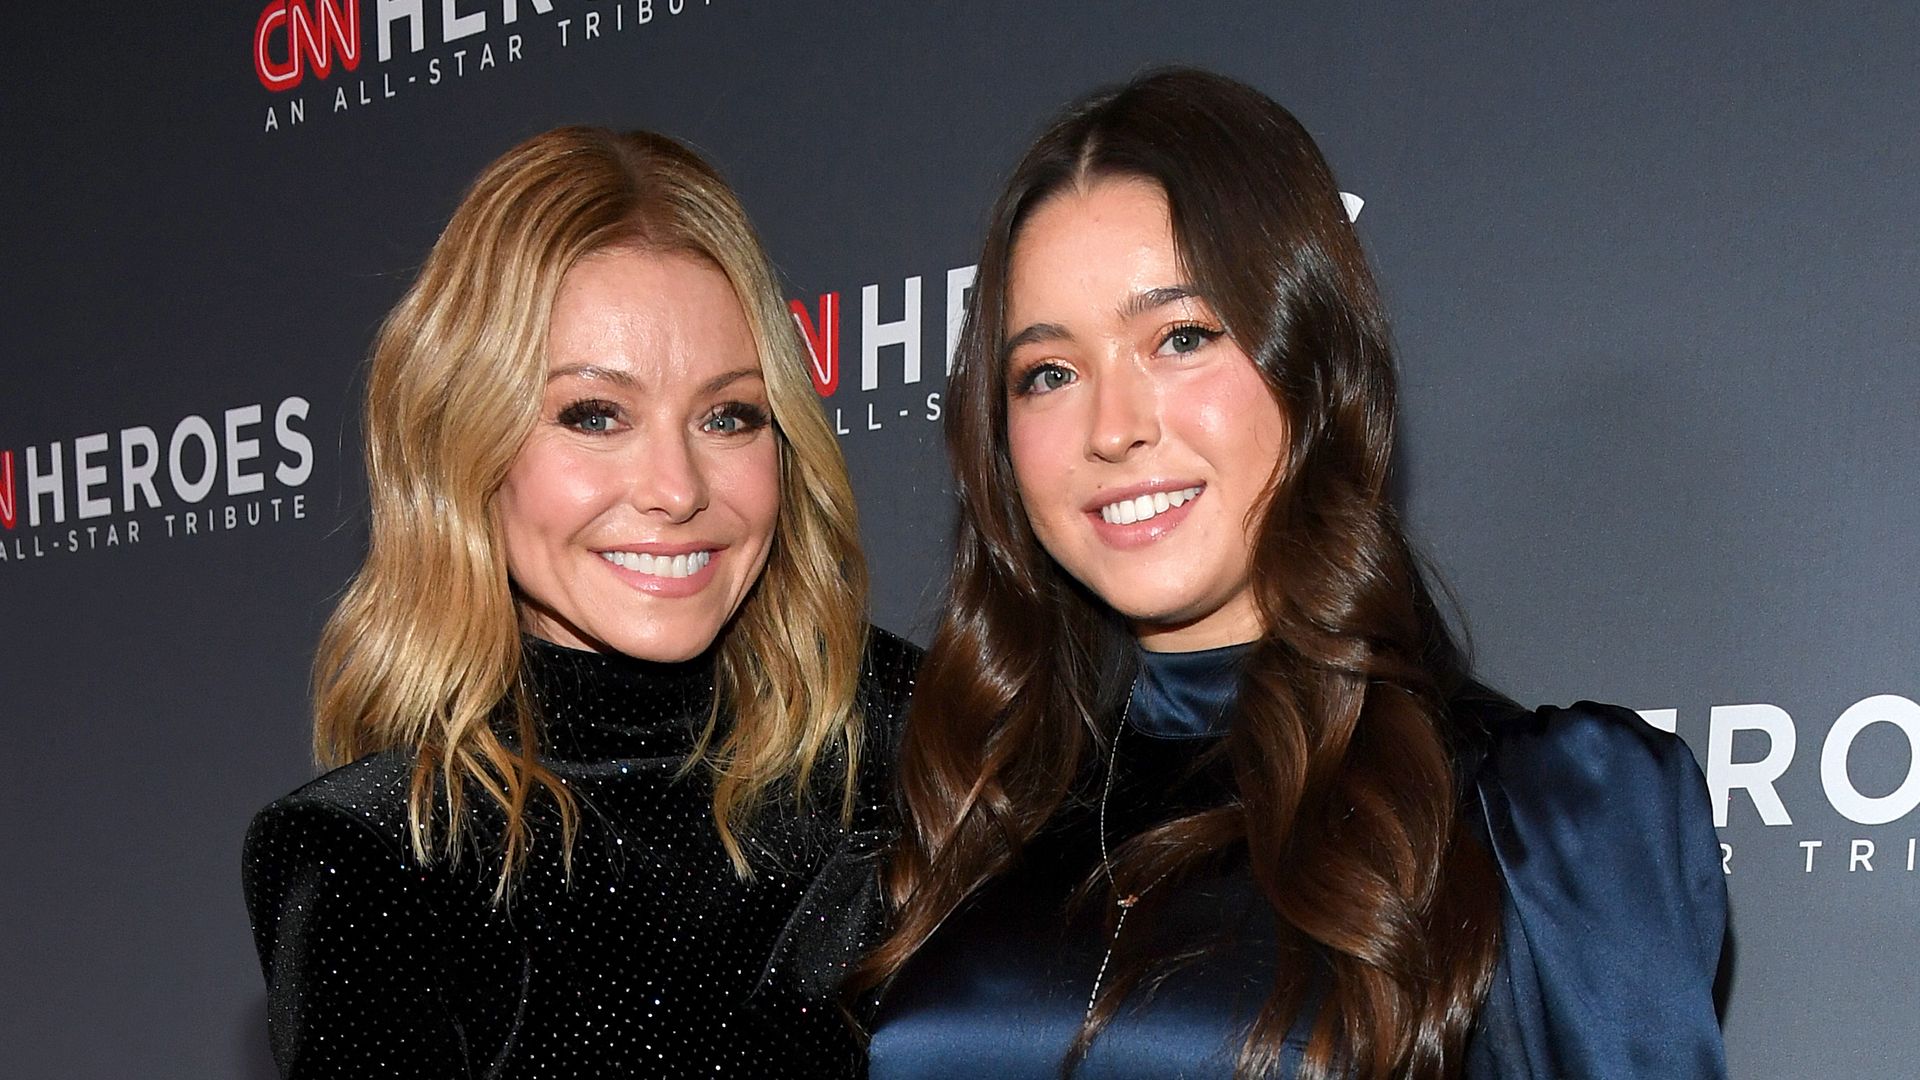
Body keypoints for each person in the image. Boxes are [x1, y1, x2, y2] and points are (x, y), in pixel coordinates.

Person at [860, 70, 1726, 1080]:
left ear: (1311, 361)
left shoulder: (1538, 820)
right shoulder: (970, 800)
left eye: (1181, 338)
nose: (1112, 427)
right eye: (1049, 372)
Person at [242, 126, 915, 1079]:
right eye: (594, 416)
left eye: (728, 415)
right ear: (466, 441)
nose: (676, 488)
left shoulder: (923, 737)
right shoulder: (381, 858)